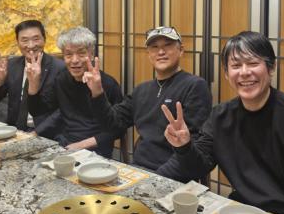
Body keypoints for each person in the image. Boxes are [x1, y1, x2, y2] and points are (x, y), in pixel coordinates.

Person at [162, 31, 284, 214]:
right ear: (227, 74)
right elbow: (199, 166)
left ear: (271, 68)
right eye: (236, 66)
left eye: (253, 63)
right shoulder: (220, 117)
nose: (245, 72)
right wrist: (184, 146)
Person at [82, 26, 211, 178]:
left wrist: (154, 179)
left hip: (173, 176)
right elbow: (112, 124)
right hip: (138, 170)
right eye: (154, 47)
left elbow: (194, 147)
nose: (161, 52)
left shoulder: (195, 86)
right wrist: (97, 92)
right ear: (148, 54)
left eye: (167, 45)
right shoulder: (141, 90)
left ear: (181, 50)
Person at [26, 26, 123, 158]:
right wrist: (34, 83)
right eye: (68, 54)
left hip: (96, 150)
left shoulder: (108, 84)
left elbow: (118, 129)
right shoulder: (61, 79)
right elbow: (38, 110)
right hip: (64, 144)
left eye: (81, 53)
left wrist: (80, 145)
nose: (75, 60)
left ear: (91, 54)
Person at [0, 20, 65, 137]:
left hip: (47, 134)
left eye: (36, 39)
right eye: (25, 40)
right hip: (15, 132)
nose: (31, 45)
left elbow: (63, 110)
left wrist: (37, 132)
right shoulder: (11, 65)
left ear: (44, 39)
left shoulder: (59, 68)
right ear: (18, 42)